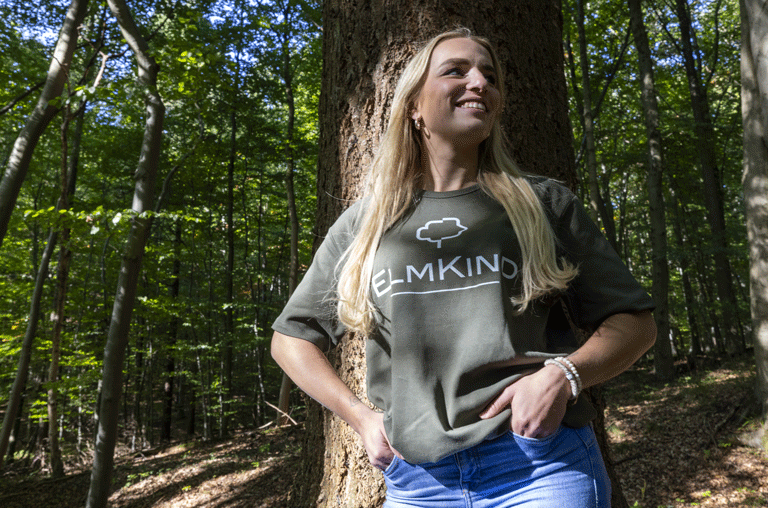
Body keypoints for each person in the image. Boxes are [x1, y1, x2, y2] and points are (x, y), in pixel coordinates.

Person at [271, 28, 656, 508]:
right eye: (456, 71)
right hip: (418, 483)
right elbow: (292, 339)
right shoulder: (366, 225)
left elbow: (635, 322)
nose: (480, 83)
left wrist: (563, 375)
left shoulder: (542, 205)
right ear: (414, 106)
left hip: (539, 466)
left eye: (489, 76)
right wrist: (360, 418)